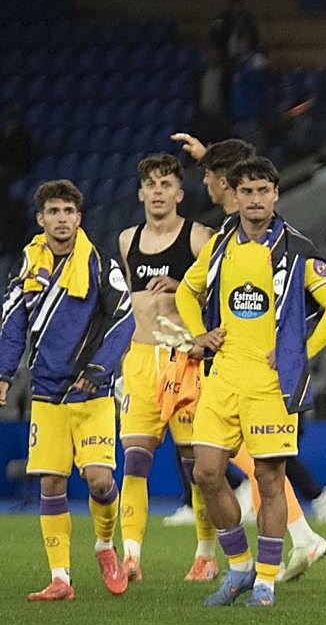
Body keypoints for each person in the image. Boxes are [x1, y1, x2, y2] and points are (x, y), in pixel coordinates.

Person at [176, 157, 326, 607]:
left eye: (263, 191)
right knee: (207, 473)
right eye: (246, 192)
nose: (255, 200)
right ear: (235, 197)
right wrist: (199, 333)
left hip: (271, 385)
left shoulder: (296, 250)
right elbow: (185, 292)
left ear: (276, 194)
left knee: (270, 481)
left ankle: (266, 582)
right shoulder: (218, 247)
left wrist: (299, 350)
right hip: (223, 377)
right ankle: (238, 568)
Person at [0, 180, 135, 601]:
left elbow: (125, 320)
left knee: (99, 482)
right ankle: (61, 578)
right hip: (46, 392)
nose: (62, 220)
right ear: (41, 219)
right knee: (52, 484)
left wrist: (97, 369)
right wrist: (4, 373)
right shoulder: (27, 264)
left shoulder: (99, 265)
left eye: (69, 212)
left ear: (80, 218)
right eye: (53, 212)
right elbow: (12, 323)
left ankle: (104, 545)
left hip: (90, 391)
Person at [114, 154, 216, 582]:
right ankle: (132, 556)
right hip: (140, 361)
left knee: (198, 467)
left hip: (184, 360)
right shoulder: (126, 240)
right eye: (151, 184)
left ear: (179, 193)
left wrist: (184, 285)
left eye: (166, 184)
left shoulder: (197, 238)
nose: (157, 191)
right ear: (141, 193)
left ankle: (206, 554)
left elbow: (223, 289)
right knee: (135, 459)